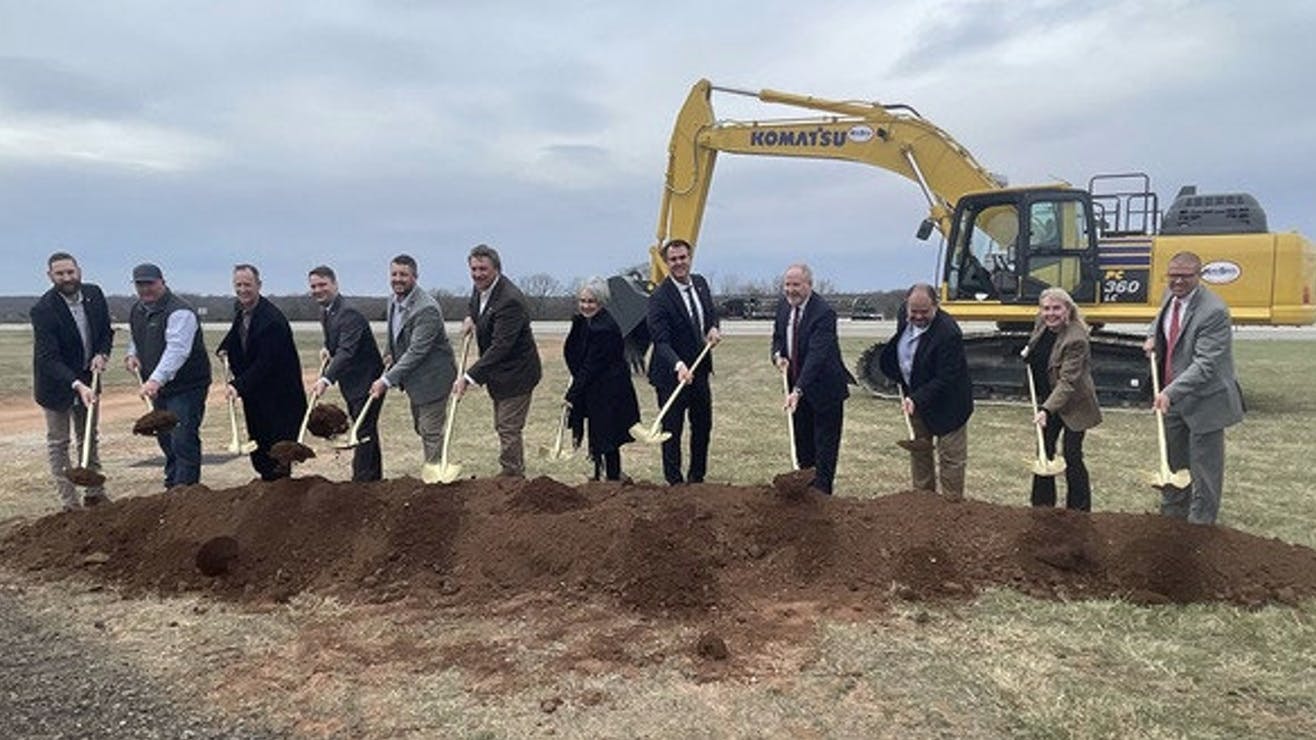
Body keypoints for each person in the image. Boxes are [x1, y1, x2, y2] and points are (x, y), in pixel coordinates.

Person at [1142, 251, 1244, 525]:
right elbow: (1160, 319)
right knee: (1174, 463)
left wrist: (1169, 392)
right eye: (1172, 275)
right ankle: (1173, 522)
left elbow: (1206, 364)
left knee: (1204, 471)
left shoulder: (1214, 311)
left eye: (1185, 276)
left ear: (1198, 276)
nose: (1177, 281)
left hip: (1205, 401)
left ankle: (1201, 527)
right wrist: (1152, 335)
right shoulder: (1170, 295)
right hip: (1173, 399)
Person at [30, 251, 114, 510]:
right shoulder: (43, 310)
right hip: (57, 385)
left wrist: (102, 353)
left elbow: (105, 332)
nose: (67, 277)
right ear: (50, 276)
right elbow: (48, 358)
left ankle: (94, 493)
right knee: (59, 443)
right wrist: (76, 384)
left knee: (88, 435)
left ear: (79, 271)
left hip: (91, 378)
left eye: (70, 272)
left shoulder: (95, 295)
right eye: (60, 273)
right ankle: (69, 503)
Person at [452, 244, 543, 478]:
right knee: (503, 425)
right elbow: (476, 305)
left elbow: (501, 347)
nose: (477, 274)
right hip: (499, 374)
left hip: (517, 373)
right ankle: (510, 473)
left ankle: (513, 476)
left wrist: (468, 378)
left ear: (496, 269)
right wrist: (470, 317)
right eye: (474, 269)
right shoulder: (482, 288)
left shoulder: (509, 300)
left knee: (508, 427)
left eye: (483, 269)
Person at [878, 283, 973, 500]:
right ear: (907, 305)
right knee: (920, 450)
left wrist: (917, 398)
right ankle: (922, 502)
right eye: (914, 311)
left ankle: (951, 505)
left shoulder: (948, 333)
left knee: (951, 458)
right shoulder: (905, 314)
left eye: (924, 312)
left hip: (950, 403)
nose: (918, 316)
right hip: (917, 398)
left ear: (936, 306)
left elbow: (946, 377)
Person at [124, 263, 212, 489]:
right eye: (140, 285)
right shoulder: (138, 309)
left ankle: (186, 489)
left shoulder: (180, 311)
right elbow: (136, 336)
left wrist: (155, 379)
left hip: (186, 386)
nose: (146, 289)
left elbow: (178, 350)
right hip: (160, 387)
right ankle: (173, 481)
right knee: (165, 437)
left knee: (182, 436)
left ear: (162, 282)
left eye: (150, 283)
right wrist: (132, 354)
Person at [217, 264, 306, 481]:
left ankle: (280, 497)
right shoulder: (242, 310)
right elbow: (237, 335)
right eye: (238, 285)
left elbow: (266, 363)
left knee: (278, 455)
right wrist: (224, 346)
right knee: (259, 447)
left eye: (247, 284)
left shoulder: (271, 320)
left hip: (280, 400)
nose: (242, 289)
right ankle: (269, 492)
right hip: (257, 396)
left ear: (259, 285)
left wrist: (237, 386)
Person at [645, 239, 721, 485]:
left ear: (690, 258)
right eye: (673, 259)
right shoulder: (659, 297)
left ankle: (697, 479)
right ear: (666, 263)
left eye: (682, 258)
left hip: (699, 371)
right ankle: (675, 483)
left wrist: (713, 329)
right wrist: (678, 365)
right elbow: (661, 341)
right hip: (671, 375)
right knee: (672, 431)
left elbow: (710, 315)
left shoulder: (700, 284)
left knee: (702, 426)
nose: (679, 263)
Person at [770, 263, 851, 494]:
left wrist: (798, 389)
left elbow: (817, 356)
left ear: (809, 285)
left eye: (796, 284)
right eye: (787, 284)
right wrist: (777, 357)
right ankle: (805, 493)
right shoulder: (783, 308)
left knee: (824, 451)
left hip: (824, 392)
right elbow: (777, 339)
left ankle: (822, 497)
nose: (790, 290)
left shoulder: (824, 313)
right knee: (802, 445)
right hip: (797, 390)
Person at [369, 255, 457, 467]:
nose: (398, 279)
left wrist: (387, 380)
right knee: (420, 427)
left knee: (430, 430)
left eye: (404, 275)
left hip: (434, 379)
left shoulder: (427, 309)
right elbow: (394, 335)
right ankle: (435, 467)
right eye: (394, 274)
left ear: (415, 277)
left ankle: (436, 480)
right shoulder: (392, 300)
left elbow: (417, 351)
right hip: (414, 380)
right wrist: (389, 354)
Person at [1022, 287, 1102, 511]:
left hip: (1074, 404)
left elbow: (1068, 382)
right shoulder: (1042, 323)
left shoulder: (1076, 339)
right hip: (1047, 399)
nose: (1051, 313)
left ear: (1068, 309)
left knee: (1071, 455)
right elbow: (1036, 346)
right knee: (1044, 452)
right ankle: (1042, 508)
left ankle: (1078, 511)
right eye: (1046, 308)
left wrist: (1046, 410)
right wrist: (1028, 352)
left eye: (1057, 308)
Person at [309, 265, 385, 481]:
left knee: (363, 431)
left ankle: (362, 482)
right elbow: (336, 343)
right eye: (314, 286)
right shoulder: (327, 311)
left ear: (335, 284)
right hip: (351, 382)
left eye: (322, 284)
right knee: (365, 430)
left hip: (367, 381)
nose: (318, 290)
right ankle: (372, 479)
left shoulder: (349, 313)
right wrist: (326, 347)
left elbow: (347, 351)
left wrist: (325, 379)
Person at [563, 277, 641, 481]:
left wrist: (572, 394)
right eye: (582, 300)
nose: (585, 305)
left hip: (610, 391)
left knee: (608, 436)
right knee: (598, 434)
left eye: (591, 302)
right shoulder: (583, 322)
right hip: (594, 389)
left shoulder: (604, 328)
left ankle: (613, 479)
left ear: (601, 302)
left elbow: (592, 365)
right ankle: (601, 475)